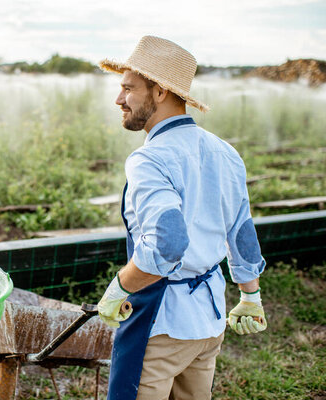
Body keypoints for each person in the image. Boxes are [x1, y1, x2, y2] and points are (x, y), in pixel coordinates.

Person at [97, 36, 268, 400]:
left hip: (161, 325)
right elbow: (242, 231)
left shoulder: (150, 159)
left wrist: (120, 287)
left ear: (159, 92)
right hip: (208, 321)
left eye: (128, 88)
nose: (118, 99)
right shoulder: (225, 152)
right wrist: (250, 295)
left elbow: (168, 243)